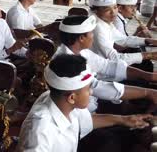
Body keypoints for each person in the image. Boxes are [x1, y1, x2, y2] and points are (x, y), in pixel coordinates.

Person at [17, 54, 152, 152]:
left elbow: (86, 121)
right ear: (71, 97)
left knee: (126, 135)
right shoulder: (40, 131)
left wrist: (124, 120)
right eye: (88, 90)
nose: (92, 93)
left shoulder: (60, 101)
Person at [55, 15, 157, 112]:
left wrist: (148, 76)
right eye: (91, 33)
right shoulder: (67, 62)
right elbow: (96, 87)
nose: (93, 36)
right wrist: (147, 93)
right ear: (81, 38)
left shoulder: (80, 51)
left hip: (92, 98)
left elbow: (106, 66)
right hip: (83, 109)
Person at [90, 0, 157, 66]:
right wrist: (148, 55)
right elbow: (113, 57)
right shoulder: (98, 28)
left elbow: (123, 39)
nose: (113, 12)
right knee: (146, 65)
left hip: (108, 63)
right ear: (96, 11)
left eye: (115, 7)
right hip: (101, 70)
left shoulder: (106, 22)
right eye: (107, 10)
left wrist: (150, 41)